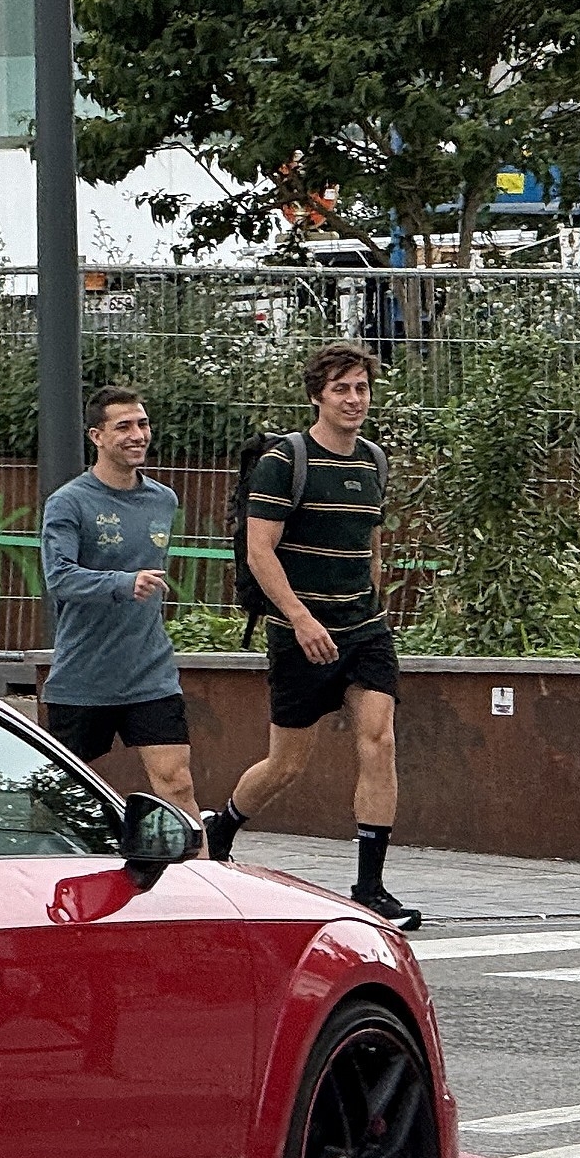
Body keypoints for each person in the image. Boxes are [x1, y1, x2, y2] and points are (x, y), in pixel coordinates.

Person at [203, 341, 417, 930]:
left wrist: (372, 603)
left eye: (361, 388)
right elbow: (259, 549)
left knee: (380, 739)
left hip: (364, 630)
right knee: (287, 764)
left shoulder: (373, 460)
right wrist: (300, 618)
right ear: (317, 396)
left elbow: (368, 543)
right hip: (301, 633)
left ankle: (370, 887)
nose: (354, 399)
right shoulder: (285, 460)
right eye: (341, 389)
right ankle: (222, 826)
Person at [40, 386, 201, 827]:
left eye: (143, 424)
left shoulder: (162, 499)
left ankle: (203, 879)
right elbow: (60, 578)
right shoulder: (68, 502)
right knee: (62, 797)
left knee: (177, 782)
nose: (138, 435)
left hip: (150, 673)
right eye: (123, 426)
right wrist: (124, 583)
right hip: (83, 678)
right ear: (96, 436)